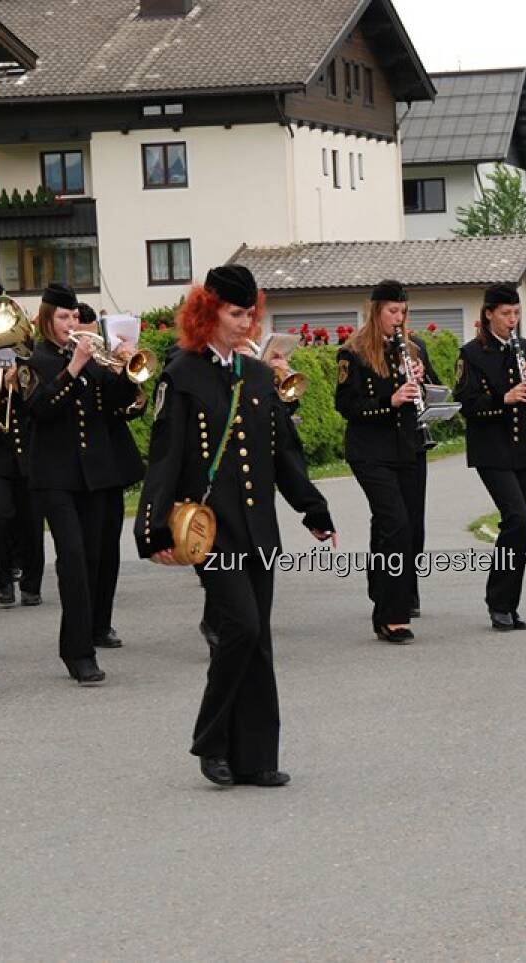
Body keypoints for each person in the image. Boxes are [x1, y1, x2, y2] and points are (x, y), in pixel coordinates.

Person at [135, 264, 335, 788]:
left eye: (250, 313)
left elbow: (283, 454)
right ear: (208, 313)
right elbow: (164, 457)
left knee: (257, 638)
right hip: (212, 533)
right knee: (239, 628)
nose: (245, 323)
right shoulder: (182, 374)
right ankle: (212, 740)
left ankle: (255, 757)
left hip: (259, 530)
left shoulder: (260, 376)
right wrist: (152, 529)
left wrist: (312, 510)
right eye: (234, 313)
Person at [18, 283, 135, 685]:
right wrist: (74, 369)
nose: (70, 325)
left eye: (73, 318)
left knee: (96, 557)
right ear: (46, 320)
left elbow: (118, 403)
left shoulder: (90, 358)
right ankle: (78, 652)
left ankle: (89, 633)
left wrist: (125, 367)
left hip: (96, 476)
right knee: (73, 559)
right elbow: (39, 408)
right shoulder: (32, 362)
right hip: (55, 477)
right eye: (62, 318)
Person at [335, 280, 427, 643]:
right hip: (369, 451)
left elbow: (432, 393)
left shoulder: (412, 349)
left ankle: (382, 591)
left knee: (401, 528)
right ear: (375, 311)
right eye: (392, 311)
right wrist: (390, 400)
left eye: (403, 311)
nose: (398, 318)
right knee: (396, 524)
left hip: (407, 448)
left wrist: (420, 381)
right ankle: (392, 616)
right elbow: (345, 405)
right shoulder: (352, 352)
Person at [454, 283, 526, 631]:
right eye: (505, 313)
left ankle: (509, 604)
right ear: (489, 313)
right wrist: (503, 399)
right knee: (516, 519)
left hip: (524, 447)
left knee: (524, 528)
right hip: (491, 448)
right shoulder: (472, 354)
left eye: (516, 313)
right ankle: (498, 602)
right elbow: (467, 404)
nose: (512, 320)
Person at [78, 301, 145, 649]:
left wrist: (127, 367)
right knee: (85, 552)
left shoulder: (104, 359)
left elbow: (129, 406)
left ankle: (102, 622)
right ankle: (84, 623)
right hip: (78, 470)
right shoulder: (63, 361)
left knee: (108, 551)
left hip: (111, 465)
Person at [0, 317, 44, 611]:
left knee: (32, 521)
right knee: (0, 517)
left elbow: (39, 406)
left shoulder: (30, 366)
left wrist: (19, 384)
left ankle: (32, 584)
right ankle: (3, 581)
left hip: (30, 455)